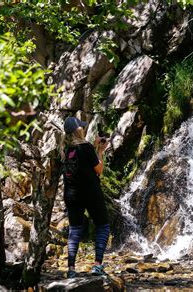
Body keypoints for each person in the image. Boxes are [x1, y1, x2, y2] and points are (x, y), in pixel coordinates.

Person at [62, 117, 110, 278]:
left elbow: (79, 162)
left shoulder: (65, 149)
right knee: (102, 225)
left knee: (75, 230)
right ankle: (97, 266)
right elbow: (99, 170)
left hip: (71, 194)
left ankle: (71, 269)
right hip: (91, 192)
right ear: (78, 130)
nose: (83, 128)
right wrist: (100, 151)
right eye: (81, 127)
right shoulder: (86, 147)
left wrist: (95, 147)